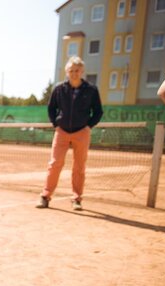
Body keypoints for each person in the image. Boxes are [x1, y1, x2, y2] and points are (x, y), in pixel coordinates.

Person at [37, 56, 103, 211]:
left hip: (82, 132)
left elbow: (98, 112)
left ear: (82, 71)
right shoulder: (59, 89)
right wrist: (56, 125)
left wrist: (88, 127)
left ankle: (76, 199)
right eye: (71, 70)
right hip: (62, 132)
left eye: (77, 70)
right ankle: (45, 196)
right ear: (67, 71)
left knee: (79, 167)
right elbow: (51, 108)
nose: (74, 73)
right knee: (54, 164)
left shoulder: (91, 90)